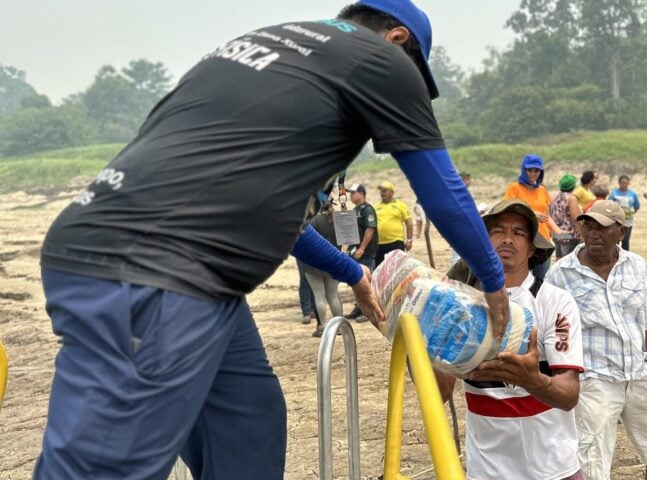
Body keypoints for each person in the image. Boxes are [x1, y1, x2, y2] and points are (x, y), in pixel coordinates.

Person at [34, 1, 512, 477]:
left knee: (248, 419)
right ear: (398, 39)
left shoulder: (267, 45)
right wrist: (492, 281)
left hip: (173, 263)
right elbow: (443, 191)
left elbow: (291, 226)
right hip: (157, 267)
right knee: (103, 467)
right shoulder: (382, 58)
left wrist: (355, 275)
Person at [439, 199, 584, 480]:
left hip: (554, 469)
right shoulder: (464, 307)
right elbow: (440, 394)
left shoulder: (554, 302)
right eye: (498, 231)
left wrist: (532, 379)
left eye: (518, 233)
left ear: (531, 247)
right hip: (488, 471)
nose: (507, 239)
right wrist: (426, 341)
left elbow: (568, 396)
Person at [546, 200, 647, 480]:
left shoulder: (638, 267)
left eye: (603, 228)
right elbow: (550, 333)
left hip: (639, 374)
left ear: (621, 232)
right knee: (592, 463)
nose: (594, 234)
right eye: (589, 226)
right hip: (594, 380)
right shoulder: (561, 274)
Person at [504, 153, 559, 280]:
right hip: (522, 240)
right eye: (530, 170)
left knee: (541, 279)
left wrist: (558, 231)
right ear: (524, 170)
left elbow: (547, 216)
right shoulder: (514, 188)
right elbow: (507, 209)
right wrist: (532, 214)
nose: (533, 174)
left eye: (537, 170)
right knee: (521, 278)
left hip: (543, 242)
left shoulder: (542, 190)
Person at [302, 203, 345, 337]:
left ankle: (323, 326)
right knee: (333, 295)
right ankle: (340, 325)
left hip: (314, 263)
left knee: (319, 295)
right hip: (333, 261)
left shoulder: (313, 220)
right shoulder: (339, 219)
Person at [345, 183, 378, 322]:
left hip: (365, 252)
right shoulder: (354, 210)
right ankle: (359, 307)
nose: (351, 195)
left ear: (361, 193)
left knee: (367, 282)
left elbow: (370, 229)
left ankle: (370, 309)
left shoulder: (367, 209)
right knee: (356, 281)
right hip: (354, 251)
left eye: (353, 193)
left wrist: (362, 248)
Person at [374, 180, 414, 265]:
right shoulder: (376, 207)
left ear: (392, 192)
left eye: (384, 191)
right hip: (379, 243)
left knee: (396, 267)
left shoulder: (400, 205)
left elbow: (409, 223)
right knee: (379, 268)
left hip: (395, 242)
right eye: (381, 191)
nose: (382, 193)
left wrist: (409, 240)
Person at [550, 174, 583, 259]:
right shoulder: (571, 198)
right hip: (570, 236)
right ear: (573, 186)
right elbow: (576, 218)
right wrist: (583, 235)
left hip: (557, 235)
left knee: (559, 261)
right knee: (569, 263)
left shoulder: (554, 198)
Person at [607, 175, 640, 251]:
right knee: (615, 238)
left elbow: (637, 206)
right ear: (619, 183)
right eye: (622, 183)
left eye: (626, 183)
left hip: (628, 220)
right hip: (616, 220)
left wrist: (630, 213)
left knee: (626, 239)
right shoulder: (614, 193)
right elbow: (609, 204)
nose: (624, 184)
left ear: (628, 183)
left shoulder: (633, 194)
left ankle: (625, 255)